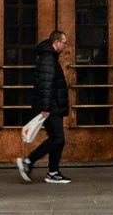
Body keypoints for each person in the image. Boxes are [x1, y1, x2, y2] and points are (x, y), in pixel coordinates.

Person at [16, 29, 71, 186]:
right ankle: (28, 161)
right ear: (57, 42)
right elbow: (46, 85)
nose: (65, 46)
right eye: (64, 42)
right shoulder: (48, 58)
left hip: (53, 106)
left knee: (58, 139)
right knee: (58, 138)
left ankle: (53, 173)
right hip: (50, 107)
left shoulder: (50, 56)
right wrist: (46, 108)